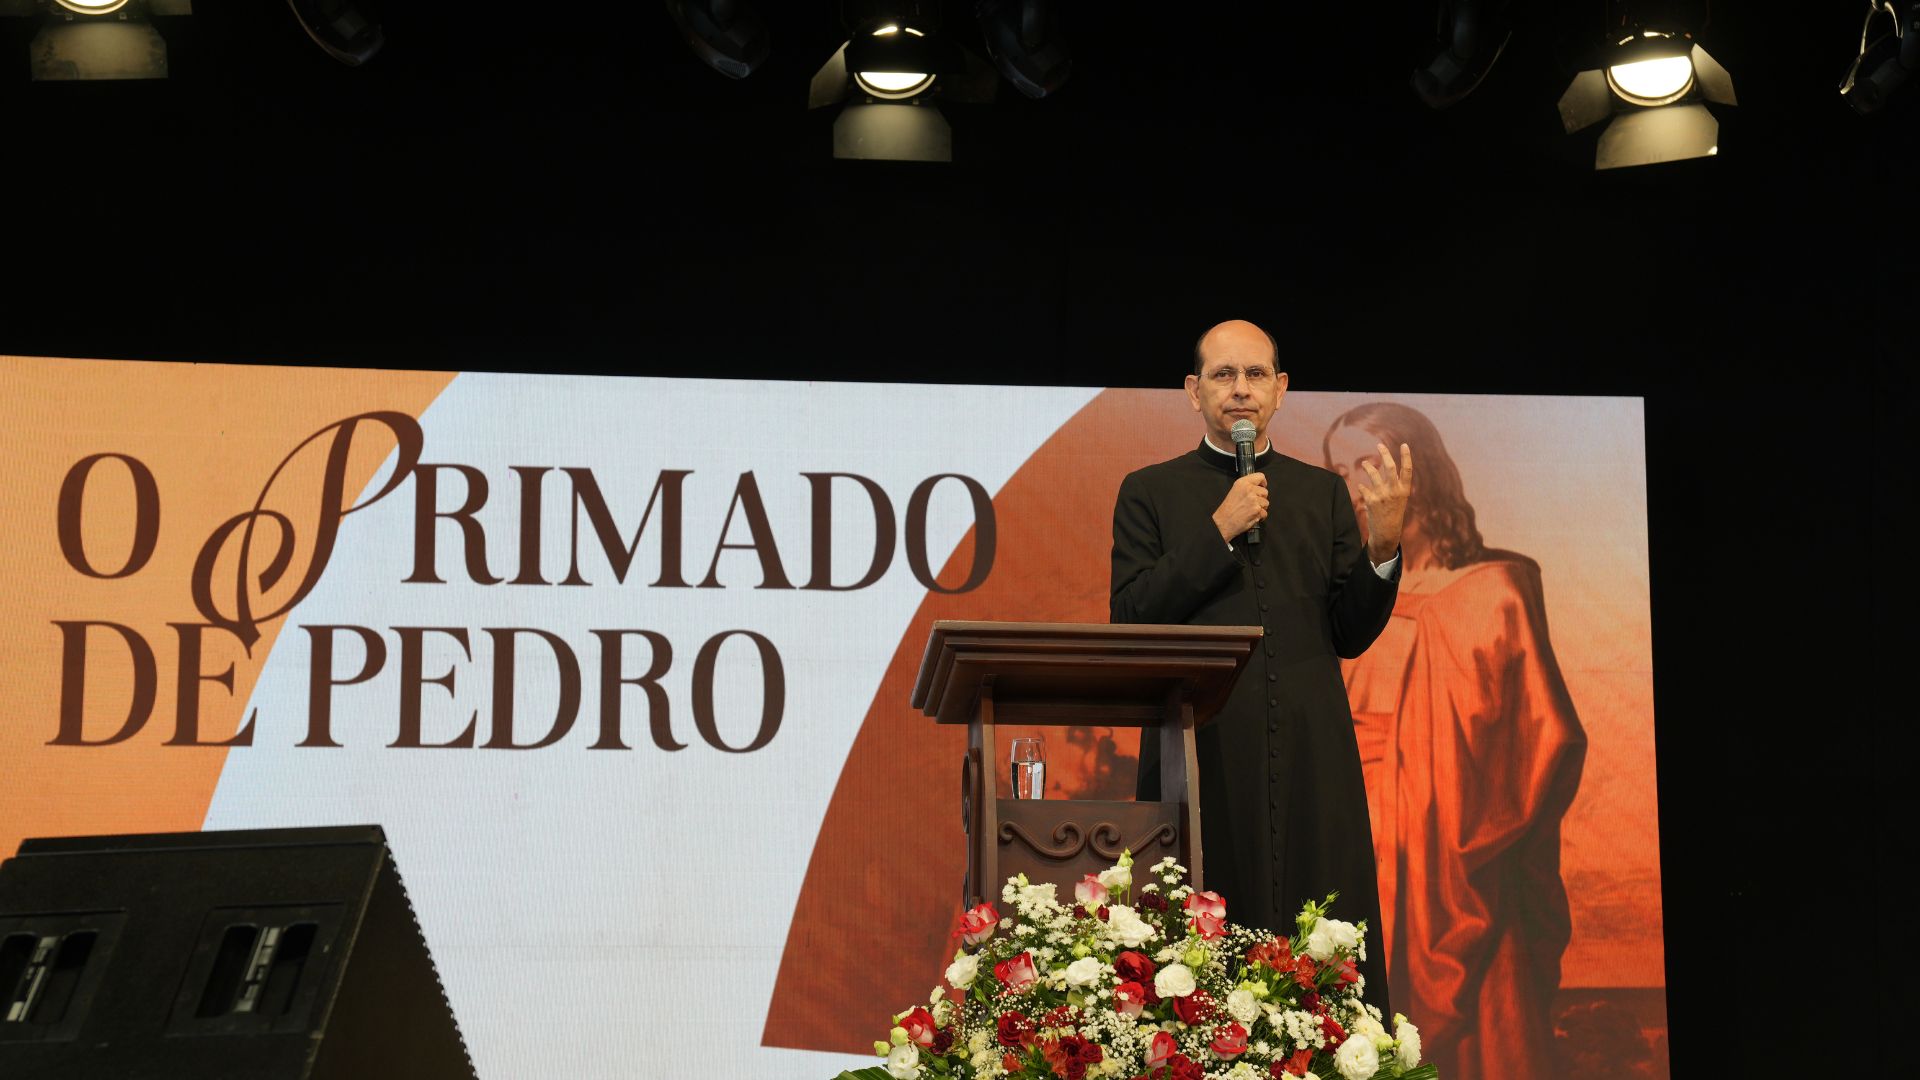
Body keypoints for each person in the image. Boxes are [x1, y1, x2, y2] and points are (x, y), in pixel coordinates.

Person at [1110, 319, 1410, 1015]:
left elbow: (1350, 631)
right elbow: (1132, 616)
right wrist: (1217, 529)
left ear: (1280, 390)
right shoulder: (1149, 492)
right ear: (1193, 392)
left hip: (1312, 753)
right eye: (1222, 375)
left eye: (1253, 376)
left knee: (1323, 928)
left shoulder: (1321, 493)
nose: (1238, 390)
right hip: (1199, 748)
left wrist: (1384, 548)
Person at [1323, 401, 1586, 1080]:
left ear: (1418, 467)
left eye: (1369, 463)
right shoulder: (1343, 597)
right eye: (1340, 469)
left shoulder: (1494, 587)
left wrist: (1459, 825)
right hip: (1354, 825)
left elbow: (1544, 735)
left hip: (1456, 841)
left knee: (1482, 1031)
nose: (1354, 484)